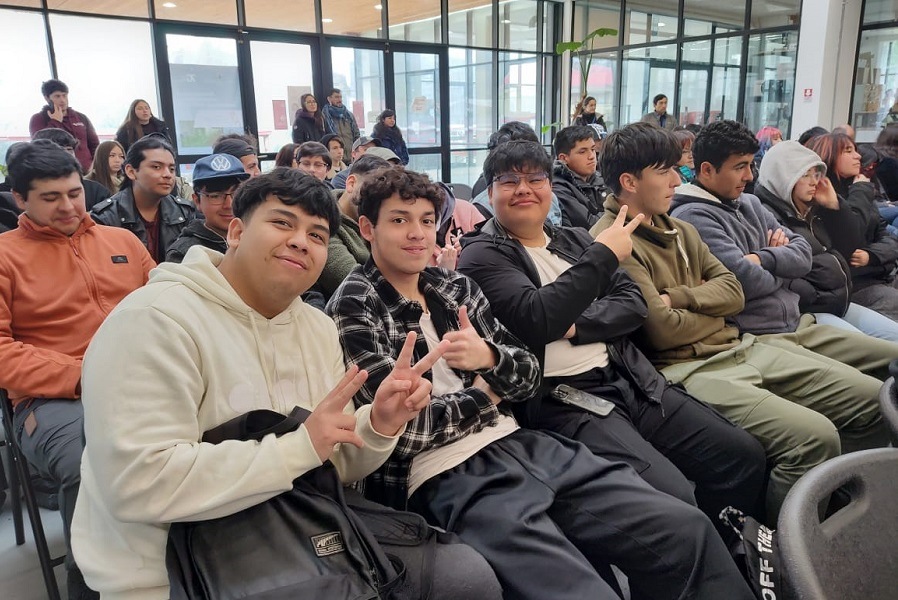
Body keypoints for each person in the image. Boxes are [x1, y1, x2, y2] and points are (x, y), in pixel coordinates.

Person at [327, 165, 756, 600]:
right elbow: (402, 432)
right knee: (580, 591)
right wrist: (487, 394)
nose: (417, 233)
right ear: (367, 228)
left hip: (523, 442)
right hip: (442, 476)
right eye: (399, 220)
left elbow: (529, 373)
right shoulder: (355, 301)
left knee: (684, 529)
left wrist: (489, 358)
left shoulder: (454, 287)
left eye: (425, 220)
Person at [73, 167, 501, 599]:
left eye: (317, 235)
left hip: (301, 526)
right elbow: (137, 484)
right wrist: (301, 447)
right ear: (236, 232)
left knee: (466, 576)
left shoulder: (316, 327)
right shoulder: (152, 321)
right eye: (282, 222)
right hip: (175, 565)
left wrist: (378, 425)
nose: (300, 241)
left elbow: (334, 462)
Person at [457, 139, 766, 527]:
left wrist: (574, 324)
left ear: (549, 187)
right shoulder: (483, 254)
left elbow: (633, 303)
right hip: (565, 399)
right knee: (673, 494)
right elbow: (537, 318)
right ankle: (695, 548)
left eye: (535, 179)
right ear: (489, 194)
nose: (524, 189)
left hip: (630, 376)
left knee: (742, 454)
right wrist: (601, 257)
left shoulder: (572, 239)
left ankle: (731, 543)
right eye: (508, 181)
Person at [592, 122, 888, 521]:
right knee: (814, 438)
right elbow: (661, 331)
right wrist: (709, 302)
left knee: (875, 399)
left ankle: (849, 513)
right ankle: (788, 547)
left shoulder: (680, 228)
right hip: (687, 368)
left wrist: (680, 297)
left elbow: (735, 293)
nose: (677, 180)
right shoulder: (611, 242)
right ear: (629, 181)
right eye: (665, 171)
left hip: (744, 344)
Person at [1, 142, 154, 599]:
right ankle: (89, 584)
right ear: (19, 198)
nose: (68, 207)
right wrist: (84, 375)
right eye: (50, 198)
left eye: (74, 193)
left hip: (143, 379)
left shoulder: (121, 242)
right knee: (90, 462)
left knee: (222, 431)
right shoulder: (6, 256)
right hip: (52, 398)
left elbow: (167, 304)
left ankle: (192, 563)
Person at [755, 139, 898, 341]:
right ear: (783, 177)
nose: (814, 181)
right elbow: (784, 278)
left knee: (893, 337)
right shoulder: (767, 216)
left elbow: (850, 247)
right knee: (873, 348)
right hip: (809, 309)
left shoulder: (814, 207)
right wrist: (820, 296)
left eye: (816, 174)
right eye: (805, 175)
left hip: (840, 300)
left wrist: (835, 207)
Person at [808, 132, 898, 320]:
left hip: (878, 274)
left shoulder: (856, 187)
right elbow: (853, 237)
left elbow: (887, 237)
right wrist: (861, 191)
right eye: (848, 151)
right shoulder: (822, 199)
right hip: (855, 285)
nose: (858, 156)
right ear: (829, 157)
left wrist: (871, 255)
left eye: (856, 150)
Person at [91, 135, 196, 262]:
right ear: (131, 171)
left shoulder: (184, 213)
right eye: (156, 167)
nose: (168, 174)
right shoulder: (105, 218)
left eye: (172, 169)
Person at [316, 154, 391, 300]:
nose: (376, 202)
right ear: (351, 183)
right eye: (371, 193)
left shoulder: (378, 219)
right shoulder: (322, 218)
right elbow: (351, 281)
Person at [165, 153, 250, 263]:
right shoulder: (185, 254)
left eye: (237, 193)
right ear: (197, 201)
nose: (229, 205)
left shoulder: (256, 237)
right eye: (216, 196)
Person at [28, 79, 99, 172]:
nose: (62, 100)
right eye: (57, 96)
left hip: (88, 171)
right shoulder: (39, 118)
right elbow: (39, 146)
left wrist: (94, 166)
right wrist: (55, 121)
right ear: (47, 98)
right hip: (59, 172)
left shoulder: (80, 117)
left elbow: (95, 145)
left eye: (64, 95)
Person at [32, 129, 112, 210]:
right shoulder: (30, 190)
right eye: (51, 198)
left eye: (69, 150)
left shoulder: (96, 191)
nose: (66, 155)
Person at [551, 125, 608, 229]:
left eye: (593, 149)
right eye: (582, 152)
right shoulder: (558, 186)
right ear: (563, 158)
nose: (591, 156)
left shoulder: (599, 177)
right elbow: (590, 224)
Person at [322, 88, 360, 164]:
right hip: (335, 158)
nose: (339, 99)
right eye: (336, 97)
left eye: (340, 97)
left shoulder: (349, 115)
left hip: (351, 156)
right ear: (329, 99)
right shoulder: (325, 116)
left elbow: (356, 134)